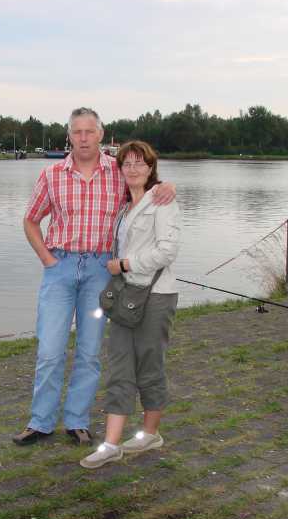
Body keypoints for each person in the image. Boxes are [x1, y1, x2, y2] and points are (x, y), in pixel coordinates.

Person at [14, 109, 175, 446]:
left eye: (90, 131)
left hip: (101, 271)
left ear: (101, 134)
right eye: (77, 132)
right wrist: (47, 259)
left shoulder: (118, 172)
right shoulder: (52, 174)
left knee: (89, 351)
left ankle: (77, 420)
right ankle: (40, 421)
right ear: (69, 136)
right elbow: (30, 220)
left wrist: (167, 187)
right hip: (60, 267)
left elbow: (147, 190)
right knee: (50, 349)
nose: (84, 138)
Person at [80, 140, 180, 468]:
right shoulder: (124, 207)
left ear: (151, 168)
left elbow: (167, 251)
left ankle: (150, 434)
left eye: (140, 163)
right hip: (127, 296)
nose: (133, 169)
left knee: (150, 365)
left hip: (157, 295)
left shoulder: (162, 201)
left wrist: (124, 264)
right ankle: (111, 444)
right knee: (120, 364)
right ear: (120, 169)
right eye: (127, 163)